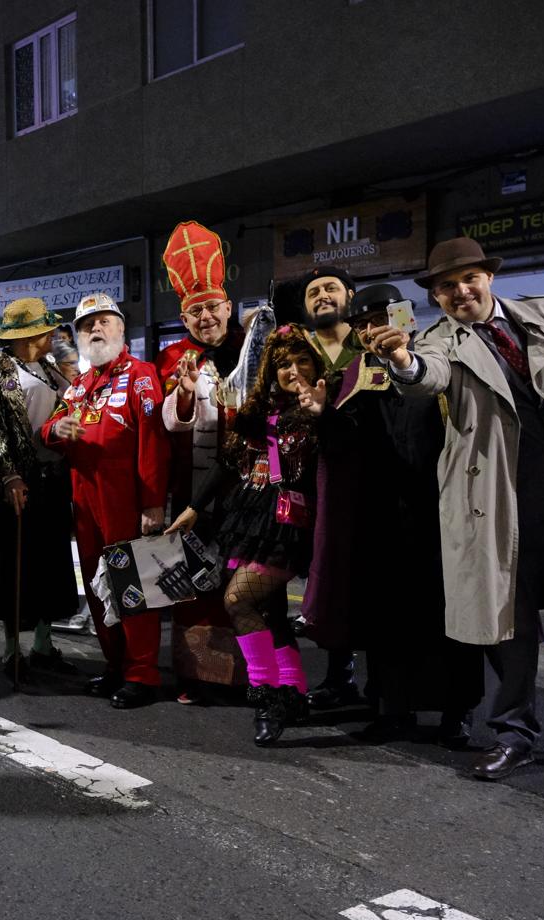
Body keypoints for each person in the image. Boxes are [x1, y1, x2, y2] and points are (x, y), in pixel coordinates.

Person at [369, 236, 544, 781]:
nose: (459, 291)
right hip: (502, 501)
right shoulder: (436, 340)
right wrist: (401, 359)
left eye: (468, 278)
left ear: (488, 277)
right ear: (437, 297)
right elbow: (428, 376)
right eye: (446, 286)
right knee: (509, 627)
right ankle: (515, 737)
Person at [336, 284, 482, 746]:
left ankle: (458, 712)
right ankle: (391, 709)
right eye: (362, 323)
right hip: (381, 517)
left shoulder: (438, 363)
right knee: (387, 619)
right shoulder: (353, 375)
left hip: (441, 512)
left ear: (407, 319)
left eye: (382, 317)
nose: (372, 329)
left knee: (451, 616)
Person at [169, 326, 329, 745]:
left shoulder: (326, 407)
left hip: (288, 523)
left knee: (237, 600)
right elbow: (227, 461)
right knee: (271, 613)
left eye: (301, 362)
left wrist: (323, 415)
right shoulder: (260, 409)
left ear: (316, 364)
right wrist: (192, 508)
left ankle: (267, 697)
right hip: (248, 517)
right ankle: (292, 693)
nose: (293, 372)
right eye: (283, 365)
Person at [42, 293, 169, 708]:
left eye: (104, 321)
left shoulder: (142, 375)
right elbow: (46, 431)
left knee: (133, 586)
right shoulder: (79, 386)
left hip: (125, 502)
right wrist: (60, 430)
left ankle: (142, 674)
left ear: (120, 328)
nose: (96, 329)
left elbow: (153, 443)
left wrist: (152, 504)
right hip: (85, 503)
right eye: (87, 325)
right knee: (99, 587)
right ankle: (115, 664)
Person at [157, 221, 247, 702]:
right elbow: (171, 425)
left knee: (243, 585)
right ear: (184, 317)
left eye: (213, 307)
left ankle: (249, 677)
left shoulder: (253, 350)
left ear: (228, 307)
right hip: (192, 492)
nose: (206, 317)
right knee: (193, 585)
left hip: (245, 489)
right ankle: (195, 678)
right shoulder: (174, 358)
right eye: (196, 311)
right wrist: (186, 397)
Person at [0, 296, 78, 678]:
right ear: (30, 334)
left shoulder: (51, 369)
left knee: (52, 562)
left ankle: (43, 643)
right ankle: (10, 648)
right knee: (17, 564)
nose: (54, 334)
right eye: (48, 329)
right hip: (17, 481)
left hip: (53, 478)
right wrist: (8, 476)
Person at [290, 266, 368, 709]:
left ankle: (379, 685)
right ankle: (337, 676)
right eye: (314, 291)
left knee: (357, 577)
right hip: (303, 480)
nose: (322, 295)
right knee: (322, 578)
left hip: (360, 479)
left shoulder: (368, 343)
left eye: (330, 288)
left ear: (349, 296)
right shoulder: (295, 350)